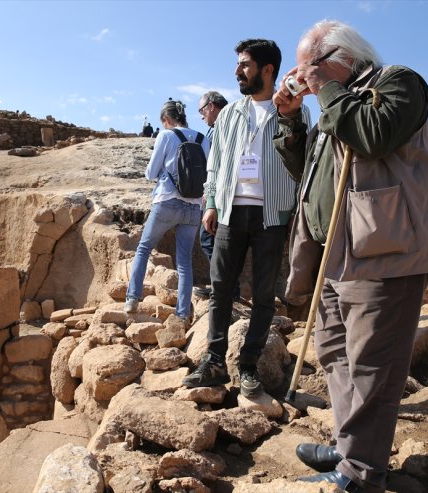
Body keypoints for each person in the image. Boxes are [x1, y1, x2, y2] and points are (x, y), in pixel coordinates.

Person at [271, 20, 428, 492]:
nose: (301, 75)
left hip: (384, 251)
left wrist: (324, 88)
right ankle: (353, 446)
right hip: (336, 252)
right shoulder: (336, 102)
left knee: (372, 365)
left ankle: (360, 474)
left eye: (307, 63)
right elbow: (310, 171)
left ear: (342, 57)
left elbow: (372, 136)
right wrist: (290, 120)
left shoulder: (397, 82)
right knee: (334, 353)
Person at [182, 39, 304, 399]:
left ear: (268, 70)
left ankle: (248, 364)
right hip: (232, 210)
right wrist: (211, 203)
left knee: (265, 295)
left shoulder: (295, 112)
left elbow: (302, 162)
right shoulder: (231, 113)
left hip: (273, 213)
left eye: (245, 65)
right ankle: (214, 360)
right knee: (221, 288)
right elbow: (216, 162)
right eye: (238, 64)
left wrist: (291, 115)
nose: (238, 71)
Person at [123, 100, 208, 322]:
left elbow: (151, 173)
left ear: (166, 120)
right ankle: (182, 314)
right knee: (184, 261)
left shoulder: (166, 135)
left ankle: (132, 299)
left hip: (167, 202)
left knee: (143, 248)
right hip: (193, 206)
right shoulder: (202, 139)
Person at [192, 90, 230, 299]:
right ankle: (225, 289)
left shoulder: (223, 127)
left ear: (211, 106)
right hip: (223, 195)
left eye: (201, 110)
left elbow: (217, 165)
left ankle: (223, 290)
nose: (201, 116)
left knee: (208, 239)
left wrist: (211, 198)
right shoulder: (221, 127)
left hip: (221, 196)